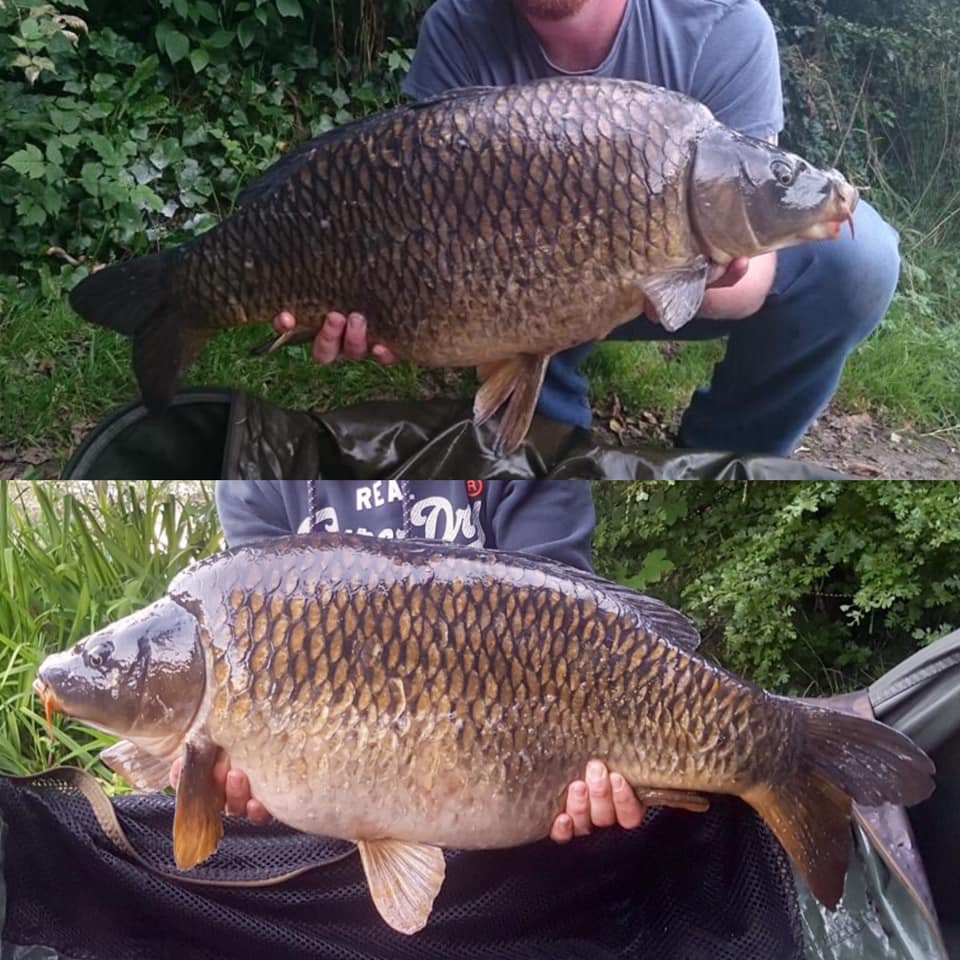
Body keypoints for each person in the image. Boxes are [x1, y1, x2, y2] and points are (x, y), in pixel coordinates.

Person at [273, 0, 900, 458]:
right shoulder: (458, 24)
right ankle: (548, 444)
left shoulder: (723, 24)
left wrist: (644, 265)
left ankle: (722, 459)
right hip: (496, 279)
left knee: (861, 262)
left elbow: (749, 276)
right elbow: (417, 212)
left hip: (651, 280)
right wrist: (390, 314)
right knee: (526, 255)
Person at [172, 479, 646, 844]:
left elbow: (568, 627)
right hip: (340, 826)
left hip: (519, 768)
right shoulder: (257, 474)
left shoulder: (533, 448)